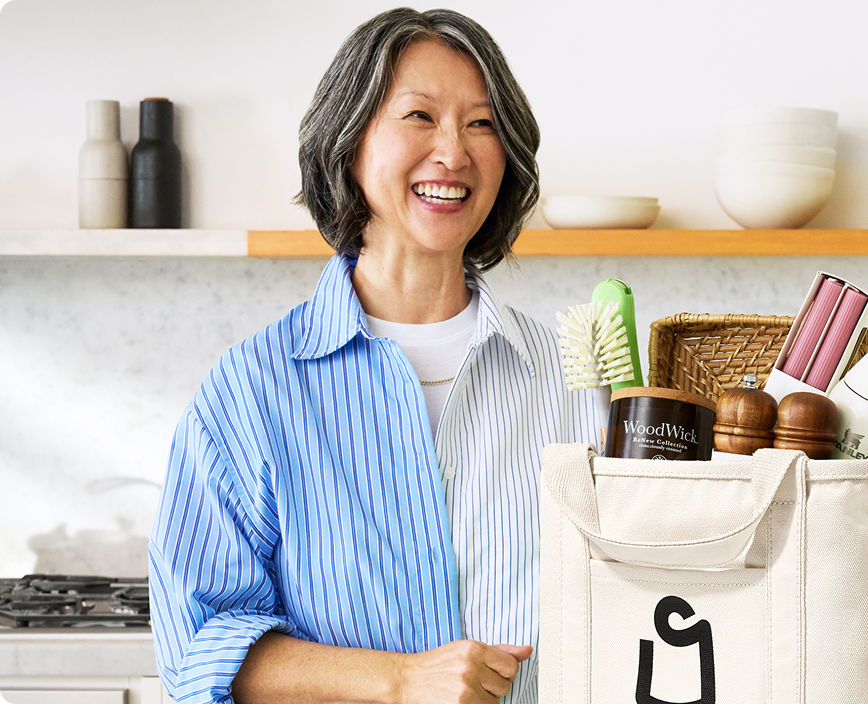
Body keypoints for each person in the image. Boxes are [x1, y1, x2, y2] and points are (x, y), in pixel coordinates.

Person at [148, 7, 601, 704]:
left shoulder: (575, 380)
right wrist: (397, 680)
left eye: (482, 124)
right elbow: (198, 651)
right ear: (349, 140)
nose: (453, 151)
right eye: (419, 116)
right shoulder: (252, 391)